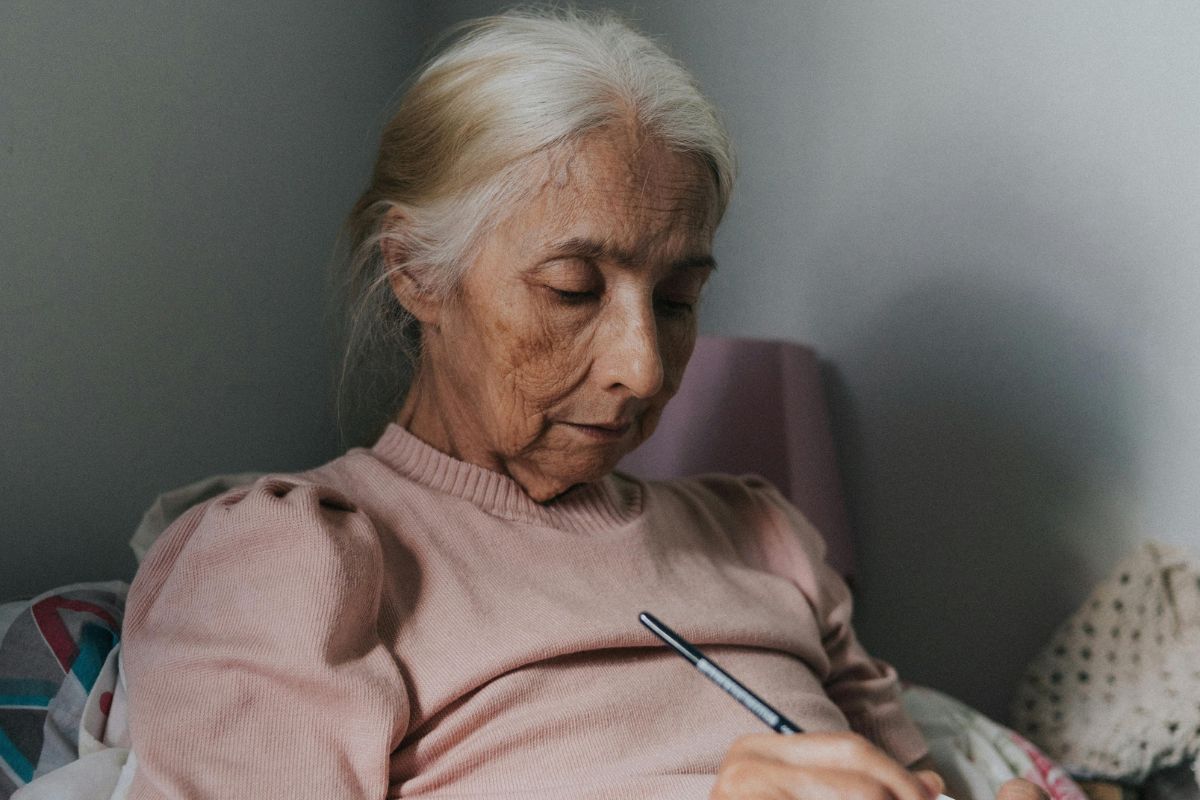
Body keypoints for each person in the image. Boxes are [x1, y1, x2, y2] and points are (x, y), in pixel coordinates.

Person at [117, 10, 1045, 800]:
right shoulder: (295, 559)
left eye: (678, 300)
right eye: (572, 288)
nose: (645, 369)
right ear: (416, 272)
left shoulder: (761, 534)